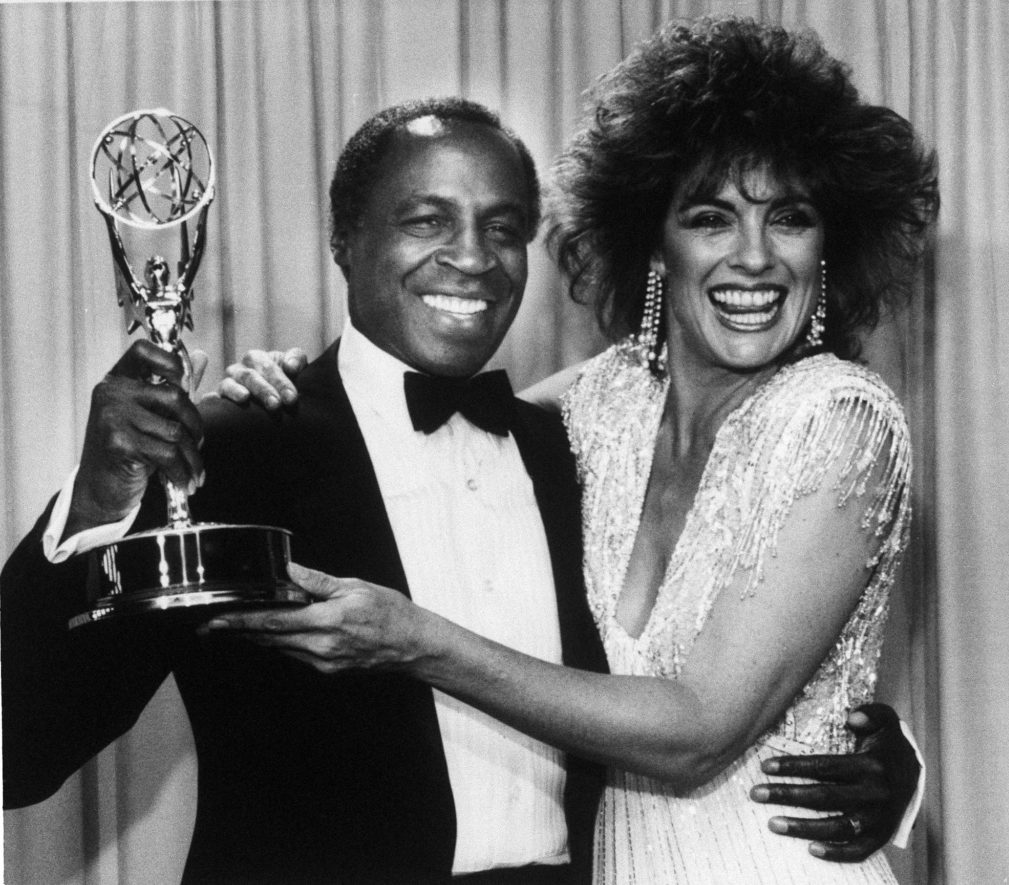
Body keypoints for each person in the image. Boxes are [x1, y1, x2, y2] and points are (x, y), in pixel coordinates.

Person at [2, 94, 917, 885]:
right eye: (427, 220)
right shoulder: (235, 451)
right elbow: (19, 747)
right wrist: (92, 508)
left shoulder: (570, 446)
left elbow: (696, 669)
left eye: (503, 227)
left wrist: (872, 752)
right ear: (344, 241)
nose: (472, 258)